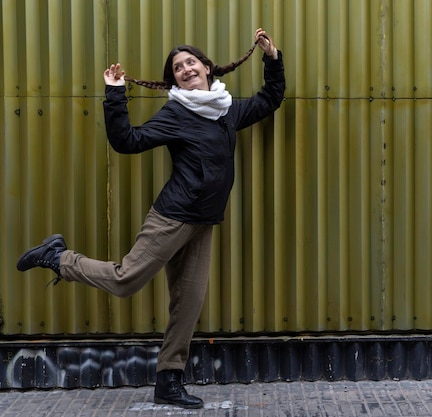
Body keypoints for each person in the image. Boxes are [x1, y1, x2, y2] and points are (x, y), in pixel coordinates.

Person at [16, 28, 285, 409]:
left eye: (191, 61)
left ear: (207, 68)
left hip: (203, 222)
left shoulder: (226, 109)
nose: (186, 69)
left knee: (188, 304)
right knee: (127, 280)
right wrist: (114, 92)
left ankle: (168, 383)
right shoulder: (176, 113)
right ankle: (58, 257)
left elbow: (270, 98)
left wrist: (272, 57)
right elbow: (127, 141)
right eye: (178, 67)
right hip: (172, 217)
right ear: (174, 78)